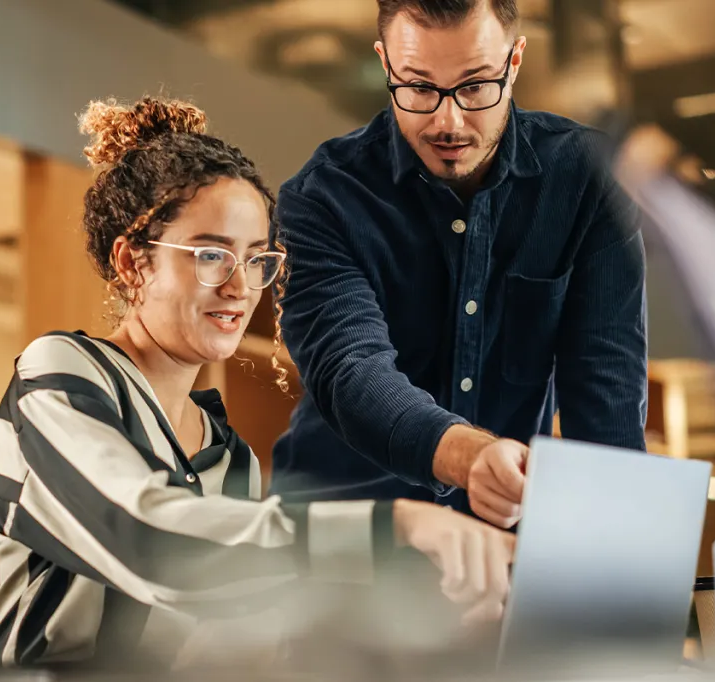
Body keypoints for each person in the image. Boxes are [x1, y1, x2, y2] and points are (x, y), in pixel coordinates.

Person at [0, 96, 514, 670]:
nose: (240, 288)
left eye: (258, 261)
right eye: (211, 255)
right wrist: (393, 528)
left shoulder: (229, 457)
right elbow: (147, 539)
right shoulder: (60, 371)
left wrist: (413, 603)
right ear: (132, 263)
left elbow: (230, 632)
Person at [269, 0, 648, 528]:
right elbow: (352, 371)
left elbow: (606, 396)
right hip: (342, 534)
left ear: (514, 61)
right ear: (385, 64)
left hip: (498, 540)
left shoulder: (587, 181)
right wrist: (470, 457)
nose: (448, 122)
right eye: (419, 87)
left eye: (474, 86)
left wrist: (623, 564)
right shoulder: (322, 198)